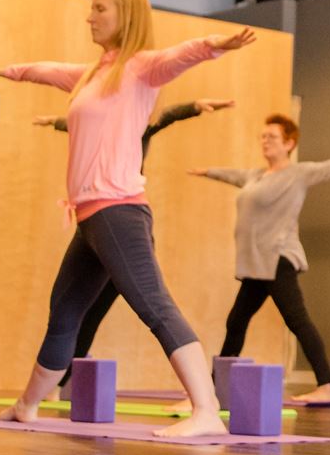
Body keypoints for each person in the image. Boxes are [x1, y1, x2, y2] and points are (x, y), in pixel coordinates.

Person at [0, 0, 255, 437]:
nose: (89, 18)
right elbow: (50, 70)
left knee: (153, 306)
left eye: (98, 10)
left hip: (119, 213)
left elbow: (183, 54)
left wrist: (217, 45)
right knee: (65, 312)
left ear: (124, 16)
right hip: (89, 216)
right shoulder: (94, 73)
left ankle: (205, 409)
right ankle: (26, 405)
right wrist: (13, 71)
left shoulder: (141, 68)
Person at [194, 114, 330, 403]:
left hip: (278, 258)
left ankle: (328, 386)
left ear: (289, 143)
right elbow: (233, 174)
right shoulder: (255, 176)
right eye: (263, 137)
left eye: (272, 137)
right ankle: (213, 391)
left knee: (296, 320)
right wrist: (207, 171)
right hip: (258, 265)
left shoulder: (297, 174)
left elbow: (328, 169)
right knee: (236, 321)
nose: (265, 142)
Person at [41, 97, 232, 380]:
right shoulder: (104, 128)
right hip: (97, 225)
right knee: (83, 313)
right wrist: (56, 122)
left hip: (123, 228)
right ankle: (59, 384)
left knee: (150, 309)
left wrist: (192, 107)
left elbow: (165, 115)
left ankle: (203, 399)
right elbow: (82, 125)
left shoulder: (137, 127)